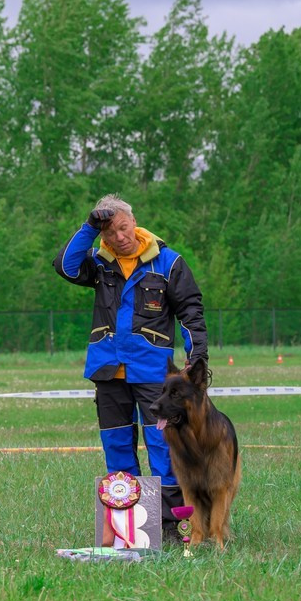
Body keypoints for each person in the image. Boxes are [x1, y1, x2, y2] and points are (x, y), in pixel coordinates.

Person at [54, 195, 208, 541]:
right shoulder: (98, 263)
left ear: (133, 222)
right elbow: (64, 266)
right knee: (117, 447)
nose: (118, 237)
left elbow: (191, 314)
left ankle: (171, 523)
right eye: (109, 233)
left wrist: (197, 360)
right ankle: (132, 527)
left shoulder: (168, 263)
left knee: (164, 446)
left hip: (155, 374)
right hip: (108, 370)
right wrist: (90, 227)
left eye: (123, 228)